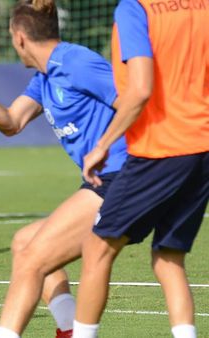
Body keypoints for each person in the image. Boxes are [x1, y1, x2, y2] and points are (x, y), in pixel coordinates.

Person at [0, 1, 128, 337]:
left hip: (120, 178)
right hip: (100, 182)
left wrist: (106, 147)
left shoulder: (75, 61)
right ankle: (68, 330)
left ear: (20, 38)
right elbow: (10, 122)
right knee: (25, 242)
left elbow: (132, 98)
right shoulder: (45, 79)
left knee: (33, 257)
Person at [73, 0, 209, 337]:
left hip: (160, 148)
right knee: (168, 257)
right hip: (203, 146)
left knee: (97, 246)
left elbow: (141, 89)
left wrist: (102, 145)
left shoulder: (135, 9)